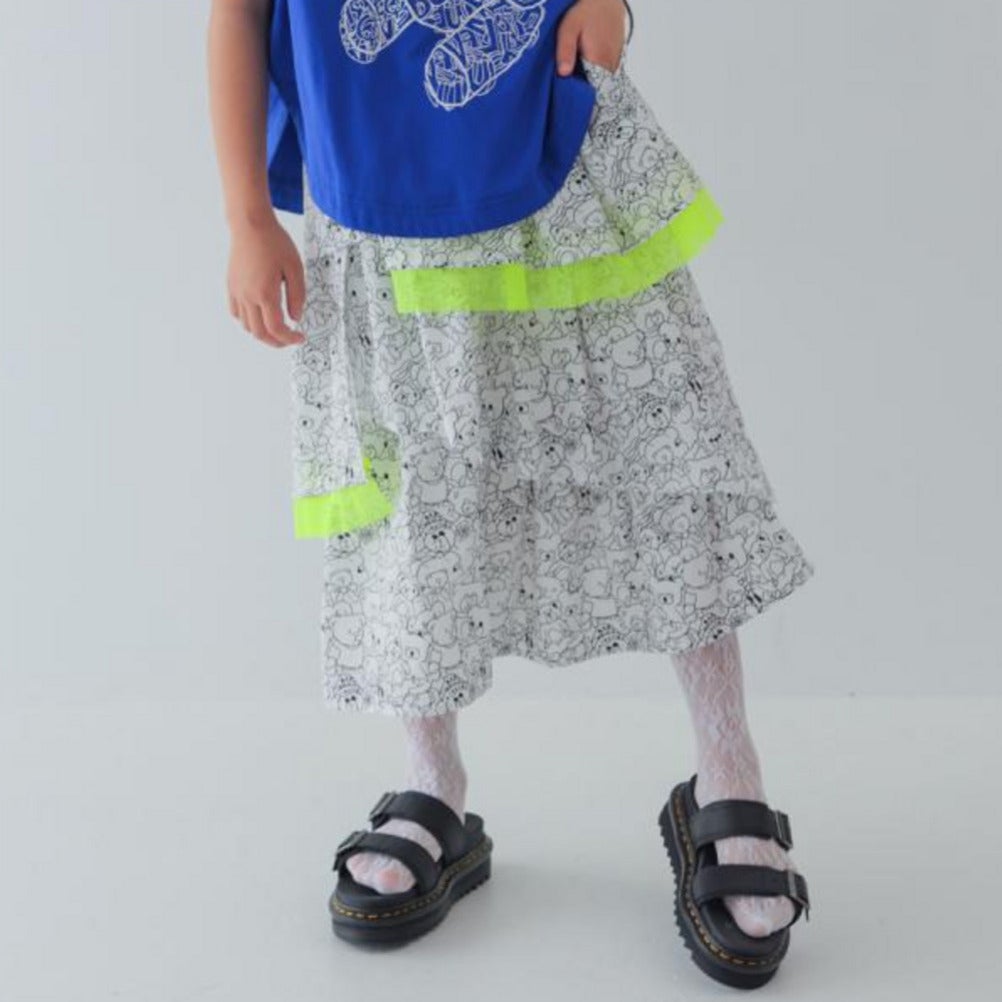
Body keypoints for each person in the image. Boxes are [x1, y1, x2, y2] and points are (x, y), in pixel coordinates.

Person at [207, 0, 815, 984]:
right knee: (417, 504)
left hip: (553, 142)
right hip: (374, 192)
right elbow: (236, 15)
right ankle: (433, 783)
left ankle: (727, 768)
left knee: (665, 457)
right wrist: (244, 216)